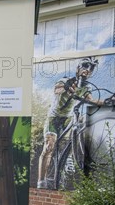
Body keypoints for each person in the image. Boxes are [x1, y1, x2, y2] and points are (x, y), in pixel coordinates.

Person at [37, 57, 103, 189]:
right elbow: (57, 90)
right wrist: (66, 88)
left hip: (67, 118)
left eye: (90, 68)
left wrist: (107, 102)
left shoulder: (86, 87)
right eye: (85, 66)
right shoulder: (66, 80)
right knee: (49, 146)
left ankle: (68, 162)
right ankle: (41, 181)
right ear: (78, 68)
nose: (87, 70)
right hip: (54, 118)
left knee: (72, 136)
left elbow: (91, 100)